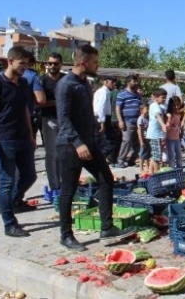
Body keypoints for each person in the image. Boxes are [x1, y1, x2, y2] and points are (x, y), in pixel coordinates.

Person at [56, 44, 136, 250]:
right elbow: (63, 119)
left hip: (89, 144)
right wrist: (77, 143)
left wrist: (93, 139)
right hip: (69, 146)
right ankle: (66, 235)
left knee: (106, 179)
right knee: (68, 190)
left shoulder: (85, 84)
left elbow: (87, 115)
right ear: (83, 63)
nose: (97, 66)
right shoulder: (65, 85)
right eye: (94, 63)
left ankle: (107, 228)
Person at [0, 47, 38, 237]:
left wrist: (31, 135)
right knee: (6, 182)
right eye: (22, 63)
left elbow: (25, 111)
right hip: (4, 139)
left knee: (30, 176)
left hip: (23, 138)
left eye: (27, 64)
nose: (25, 67)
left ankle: (9, 204)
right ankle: (9, 223)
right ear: (10, 61)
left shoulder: (23, 85)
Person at [39, 52, 64, 191]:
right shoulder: (42, 81)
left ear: (61, 64)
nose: (52, 66)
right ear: (46, 64)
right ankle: (55, 185)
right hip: (48, 118)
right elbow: (38, 102)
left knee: (64, 152)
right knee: (52, 153)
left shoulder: (66, 79)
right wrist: (55, 102)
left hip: (65, 120)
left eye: (55, 63)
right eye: (50, 63)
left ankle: (64, 182)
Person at [115, 75, 143, 168]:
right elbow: (118, 108)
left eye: (136, 81)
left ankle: (132, 160)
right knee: (127, 141)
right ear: (128, 82)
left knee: (137, 143)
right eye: (134, 81)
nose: (136, 83)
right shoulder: (122, 94)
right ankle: (121, 160)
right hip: (127, 121)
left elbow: (141, 107)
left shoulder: (138, 95)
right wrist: (120, 121)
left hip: (137, 121)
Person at [93, 76, 117, 165]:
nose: (113, 84)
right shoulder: (104, 92)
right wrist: (102, 122)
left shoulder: (104, 92)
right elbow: (101, 107)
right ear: (106, 82)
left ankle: (98, 159)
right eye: (112, 82)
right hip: (102, 118)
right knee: (110, 141)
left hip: (101, 117)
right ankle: (100, 159)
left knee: (100, 140)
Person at [23, 52, 46, 143]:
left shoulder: (3, 75)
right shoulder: (33, 76)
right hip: (30, 115)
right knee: (29, 143)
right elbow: (40, 99)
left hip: (9, 118)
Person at [146, 89, 168, 173]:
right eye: (162, 98)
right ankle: (157, 173)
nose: (164, 100)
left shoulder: (158, 105)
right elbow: (157, 115)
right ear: (155, 97)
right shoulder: (154, 105)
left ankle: (151, 173)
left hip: (156, 134)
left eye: (165, 98)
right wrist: (163, 125)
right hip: (154, 135)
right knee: (157, 156)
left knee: (155, 155)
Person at [165, 96, 183, 169]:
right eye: (174, 105)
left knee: (179, 155)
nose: (176, 106)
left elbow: (179, 125)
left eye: (178, 105)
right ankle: (172, 170)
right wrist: (169, 120)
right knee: (171, 156)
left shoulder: (178, 115)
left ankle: (179, 169)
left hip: (177, 138)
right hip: (170, 139)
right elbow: (167, 128)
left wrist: (181, 132)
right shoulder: (169, 115)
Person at [137, 103, 151, 173]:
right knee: (142, 154)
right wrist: (141, 140)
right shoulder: (140, 119)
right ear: (141, 110)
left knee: (147, 153)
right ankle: (141, 168)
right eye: (147, 109)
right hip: (143, 138)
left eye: (148, 109)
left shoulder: (147, 118)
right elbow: (139, 130)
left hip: (148, 138)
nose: (148, 110)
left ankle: (147, 167)